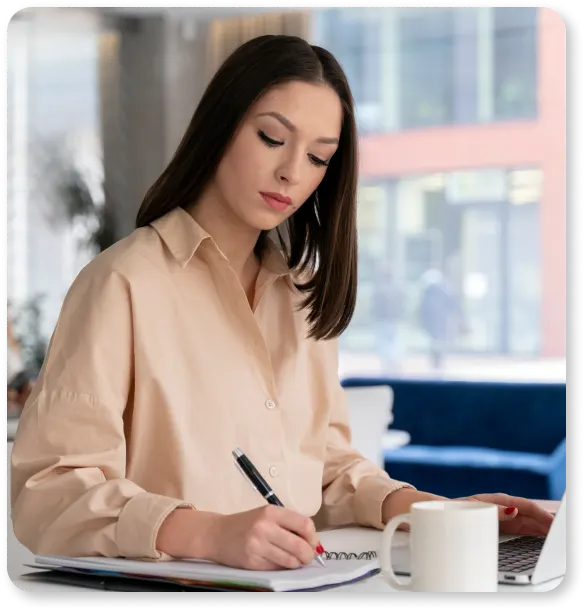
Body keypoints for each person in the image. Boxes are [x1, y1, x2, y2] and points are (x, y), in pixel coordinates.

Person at [11, 35, 553, 571]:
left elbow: (327, 471)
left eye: (319, 157)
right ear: (222, 124)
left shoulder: (300, 297)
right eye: (272, 138)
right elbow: (46, 493)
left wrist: (439, 514)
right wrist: (207, 532)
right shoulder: (121, 284)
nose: (294, 172)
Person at [418, 268, 463, 370]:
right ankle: (437, 362)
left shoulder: (430, 294)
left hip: (439, 323)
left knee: (437, 343)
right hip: (437, 323)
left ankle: (437, 362)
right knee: (437, 343)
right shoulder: (440, 293)